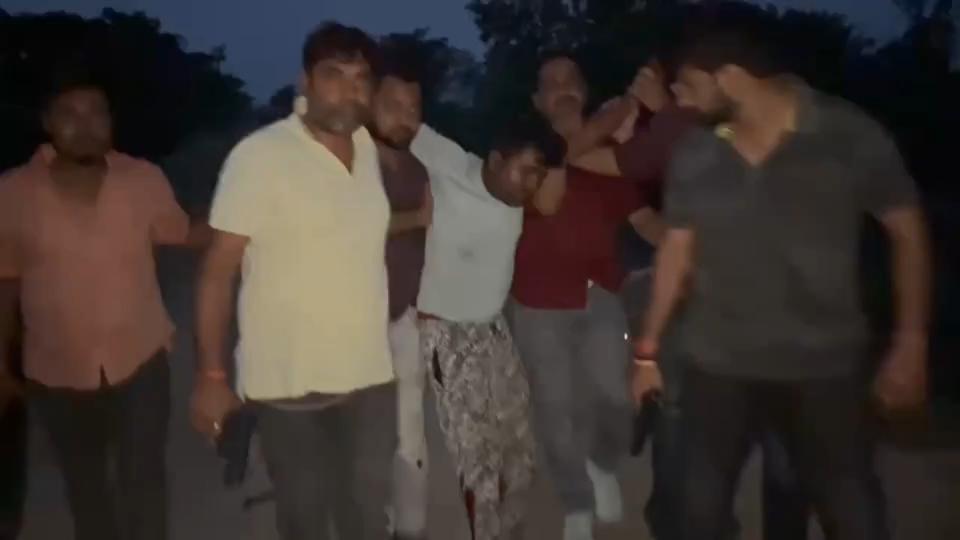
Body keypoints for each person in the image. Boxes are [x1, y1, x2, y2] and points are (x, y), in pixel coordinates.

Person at [636, 22, 930, 540]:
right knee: (697, 514)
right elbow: (676, 253)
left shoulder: (846, 134)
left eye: (687, 86)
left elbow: (907, 231)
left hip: (823, 366)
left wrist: (911, 342)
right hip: (718, 364)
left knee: (851, 511)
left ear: (730, 77)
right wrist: (647, 352)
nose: (679, 100)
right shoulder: (696, 152)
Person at [575, 52, 810, 540]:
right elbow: (584, 159)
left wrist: (660, 112)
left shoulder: (709, 132)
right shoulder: (643, 152)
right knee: (681, 417)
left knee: (774, 441)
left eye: (683, 88)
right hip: (670, 300)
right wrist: (626, 115)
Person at [191, 23, 396, 540]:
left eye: (361, 79)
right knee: (305, 518)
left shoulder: (366, 146)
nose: (349, 91)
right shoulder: (260, 156)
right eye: (334, 75)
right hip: (289, 384)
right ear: (305, 81)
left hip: (370, 374)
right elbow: (217, 273)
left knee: (368, 516)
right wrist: (212, 377)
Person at [0, 72, 206, 540]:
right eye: (69, 114)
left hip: (140, 360)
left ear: (111, 120)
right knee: (85, 485)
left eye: (96, 113)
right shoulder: (12, 192)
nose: (85, 125)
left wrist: (245, 220)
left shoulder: (142, 179)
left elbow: (183, 233)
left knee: (143, 479)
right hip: (55, 371)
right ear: (47, 121)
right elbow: (6, 281)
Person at [410, 116, 565, 540]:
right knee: (477, 457)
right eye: (525, 170)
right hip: (448, 333)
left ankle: (509, 528)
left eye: (538, 174)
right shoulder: (452, 163)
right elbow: (398, 123)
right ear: (495, 160)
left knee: (519, 446)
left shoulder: (514, 196)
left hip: (494, 328)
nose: (531, 183)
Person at [508, 51, 639, 540]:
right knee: (555, 407)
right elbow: (545, 191)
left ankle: (602, 465)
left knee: (617, 398)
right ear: (537, 100)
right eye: (552, 82)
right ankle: (575, 500)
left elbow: (642, 215)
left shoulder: (607, 156)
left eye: (572, 79)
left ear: (584, 91)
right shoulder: (522, 152)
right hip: (537, 301)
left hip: (601, 294)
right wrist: (618, 111)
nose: (563, 88)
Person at [369, 55, 432, 540]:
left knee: (410, 430)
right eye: (393, 105)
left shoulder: (419, 166)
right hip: (354, 323)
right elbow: (347, 227)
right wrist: (418, 218)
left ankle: (409, 527)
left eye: (413, 108)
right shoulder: (348, 161)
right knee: (369, 435)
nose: (404, 117)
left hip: (407, 317)